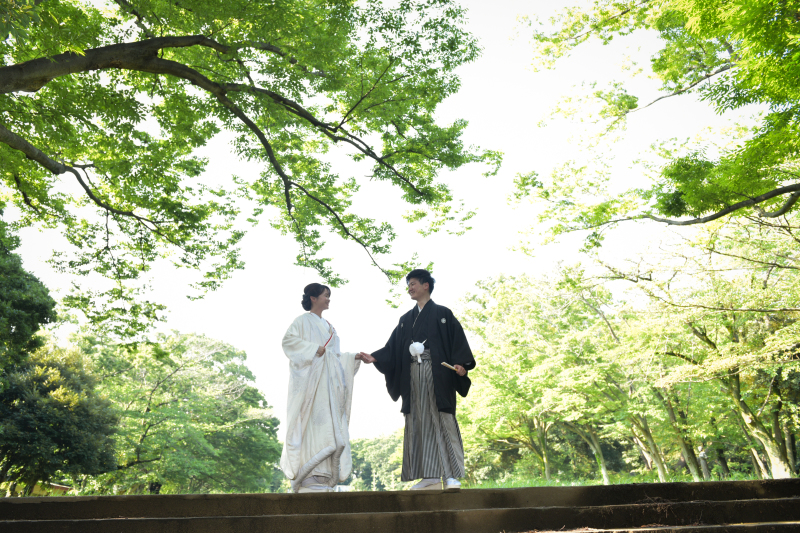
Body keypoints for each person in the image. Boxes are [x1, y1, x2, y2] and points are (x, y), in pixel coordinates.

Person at [359, 269, 475, 491]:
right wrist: (375, 357)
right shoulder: (405, 320)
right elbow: (392, 348)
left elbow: (457, 343)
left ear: (426, 286)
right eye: (408, 285)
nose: (410, 288)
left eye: (413, 283)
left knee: (442, 419)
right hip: (413, 375)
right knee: (419, 421)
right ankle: (429, 475)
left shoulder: (443, 314)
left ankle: (451, 475)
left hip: (438, 373)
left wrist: (461, 365)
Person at [281, 283, 366, 493]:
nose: (328, 299)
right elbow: (288, 342)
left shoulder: (330, 328)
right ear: (313, 297)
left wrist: (351, 357)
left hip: (330, 388)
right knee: (311, 427)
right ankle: (308, 477)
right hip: (312, 386)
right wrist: (313, 349)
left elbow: (335, 357)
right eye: (326, 295)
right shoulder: (301, 321)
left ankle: (325, 475)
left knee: (330, 427)